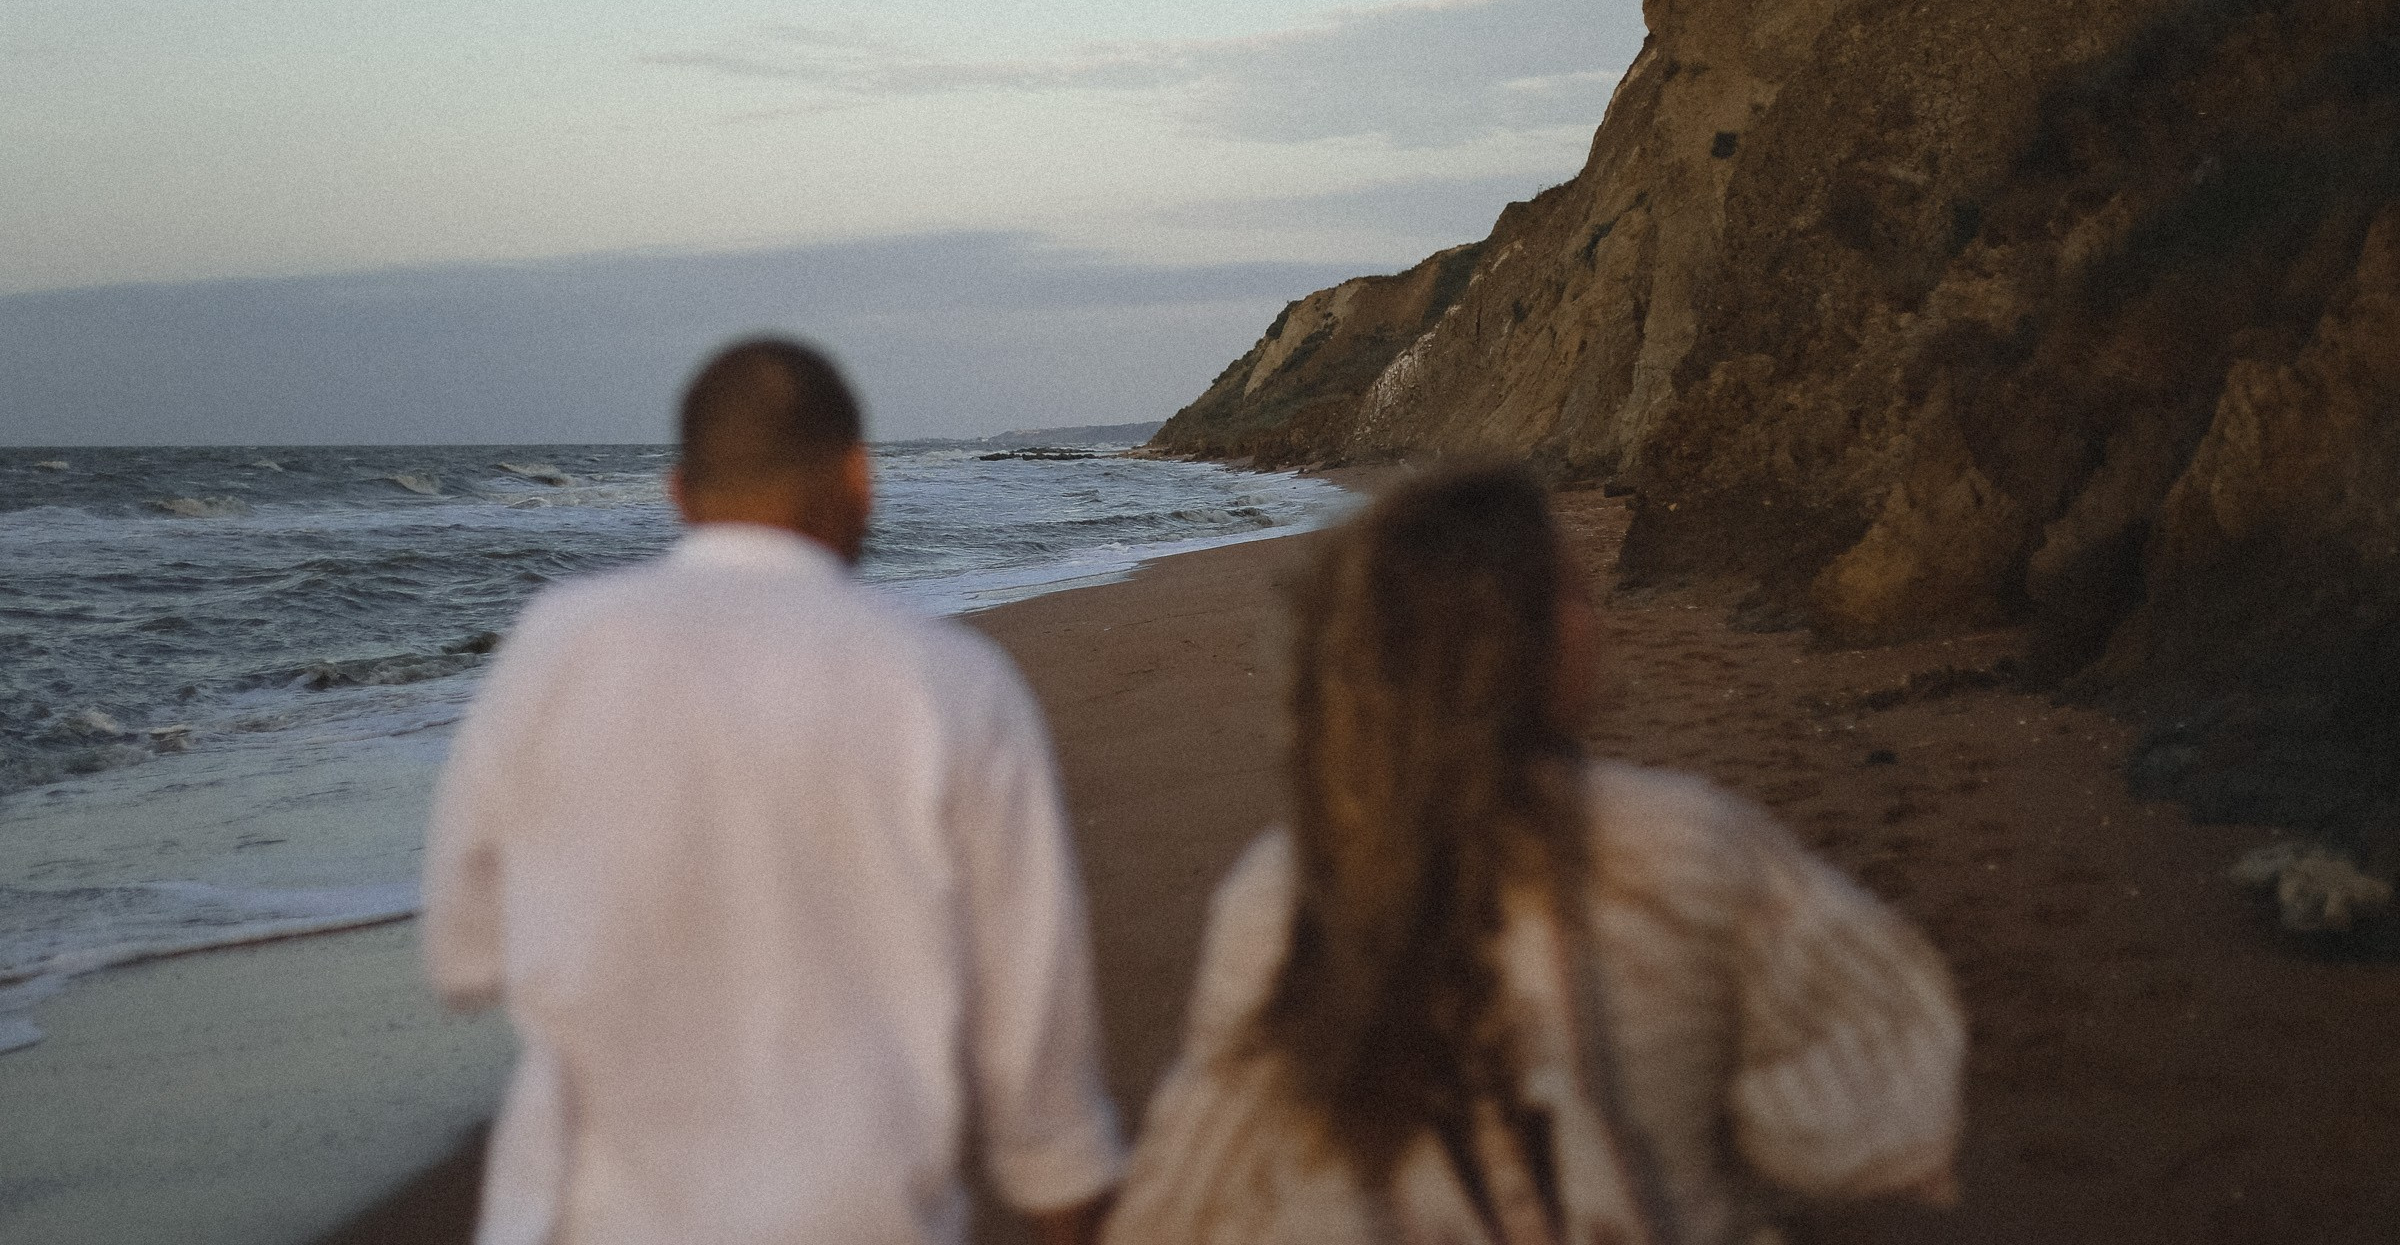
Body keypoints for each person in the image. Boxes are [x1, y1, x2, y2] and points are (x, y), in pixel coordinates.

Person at [1103, 464, 1965, 1245]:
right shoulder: (1688, 847)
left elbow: (1187, 1196)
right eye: (1575, 592)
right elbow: (1888, 1103)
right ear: (1532, 641)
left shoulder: (1277, 897)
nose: (1598, 615)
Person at [423, 336, 1124, 1245]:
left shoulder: (555, 650)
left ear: (679, 494)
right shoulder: (953, 684)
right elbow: (1043, 1101)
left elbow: (464, 958)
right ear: (860, 477)